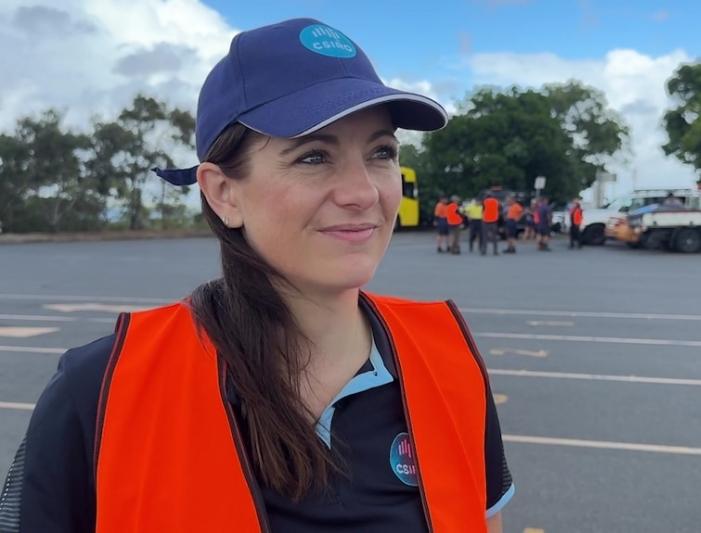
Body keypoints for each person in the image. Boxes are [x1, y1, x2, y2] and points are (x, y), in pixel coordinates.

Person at [0, 18, 514, 533]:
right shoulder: (100, 388)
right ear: (223, 193)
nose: (363, 192)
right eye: (314, 156)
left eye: (381, 153)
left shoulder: (449, 357)